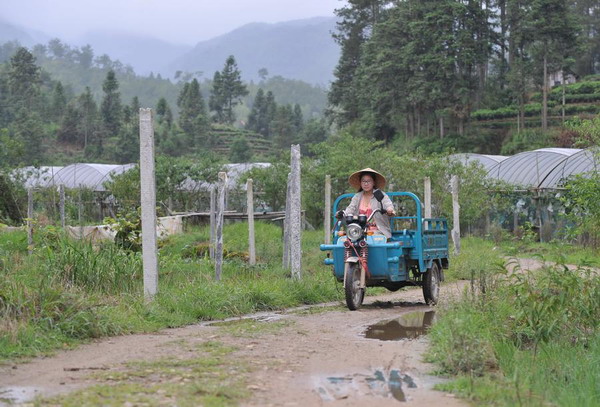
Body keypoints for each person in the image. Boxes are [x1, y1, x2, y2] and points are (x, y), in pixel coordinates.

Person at [337, 168, 395, 239]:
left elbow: (388, 205)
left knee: (372, 240)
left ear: (374, 182)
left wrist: (389, 210)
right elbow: (350, 209)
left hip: (378, 230)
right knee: (344, 240)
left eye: (369, 181)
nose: (366, 183)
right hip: (358, 230)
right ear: (360, 183)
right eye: (363, 181)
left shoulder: (380, 195)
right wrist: (341, 214)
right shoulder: (357, 196)